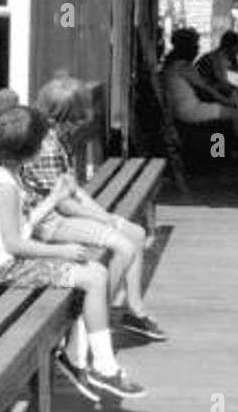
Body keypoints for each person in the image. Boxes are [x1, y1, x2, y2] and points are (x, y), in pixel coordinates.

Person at [0, 103, 146, 402]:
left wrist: (53, 199)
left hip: (11, 262)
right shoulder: (6, 187)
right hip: (7, 268)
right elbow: (15, 244)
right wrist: (63, 251)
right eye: (40, 142)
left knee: (94, 273)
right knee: (95, 276)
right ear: (30, 149)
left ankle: (79, 357)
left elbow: (23, 227)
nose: (44, 146)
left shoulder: (0, 175)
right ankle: (101, 366)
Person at [22, 76, 167, 363]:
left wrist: (105, 217)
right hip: (47, 224)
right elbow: (64, 204)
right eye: (78, 118)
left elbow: (72, 189)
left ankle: (132, 310)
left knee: (135, 233)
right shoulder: (47, 146)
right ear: (67, 117)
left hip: (59, 215)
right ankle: (91, 319)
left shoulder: (55, 137)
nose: (82, 123)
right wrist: (106, 221)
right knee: (125, 244)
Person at [160, 27, 238, 162]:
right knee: (232, 113)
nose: (198, 48)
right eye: (195, 45)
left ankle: (229, 150)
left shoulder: (172, 65)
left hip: (181, 109)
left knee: (227, 111)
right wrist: (226, 102)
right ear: (187, 47)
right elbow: (207, 89)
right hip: (190, 111)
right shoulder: (184, 67)